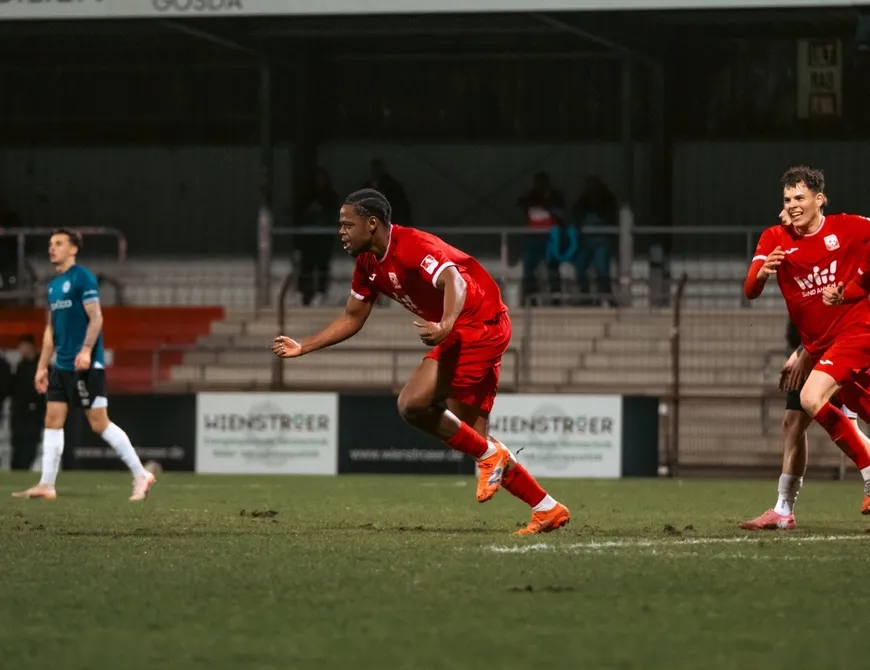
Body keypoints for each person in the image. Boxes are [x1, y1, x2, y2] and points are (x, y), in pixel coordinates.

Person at [272, 189, 570, 535]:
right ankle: (547, 508)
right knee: (476, 439)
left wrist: (444, 323)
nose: (340, 231)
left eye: (346, 224)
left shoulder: (412, 246)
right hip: (469, 329)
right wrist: (303, 347)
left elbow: (453, 280)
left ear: (371, 224)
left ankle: (493, 457)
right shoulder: (367, 265)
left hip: (476, 325)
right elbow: (352, 318)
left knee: (413, 404)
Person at [743, 165, 870, 514]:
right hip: (814, 349)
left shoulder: (847, 228)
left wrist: (858, 284)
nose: (792, 205)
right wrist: (762, 272)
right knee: (793, 423)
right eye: (787, 199)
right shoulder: (776, 238)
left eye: (800, 197)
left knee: (815, 399)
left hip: (851, 338)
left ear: (819, 199)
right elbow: (750, 289)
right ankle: (783, 510)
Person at [12, 229, 155, 501]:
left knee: (99, 423)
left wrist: (87, 350)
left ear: (73, 249)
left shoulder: (83, 278)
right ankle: (46, 484)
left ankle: (140, 474)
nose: (52, 248)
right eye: (50, 244)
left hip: (86, 365)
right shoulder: (53, 286)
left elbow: (97, 318)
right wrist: (42, 366)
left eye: (59, 243)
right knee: (52, 419)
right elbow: (50, 329)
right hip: (61, 366)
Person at [10, 334, 45, 471]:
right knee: (17, 443)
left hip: (34, 413)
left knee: (30, 443)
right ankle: (16, 469)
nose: (20, 349)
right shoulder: (20, 366)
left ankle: (24, 468)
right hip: (18, 413)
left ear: (29, 346)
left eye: (22, 346)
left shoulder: (42, 366)